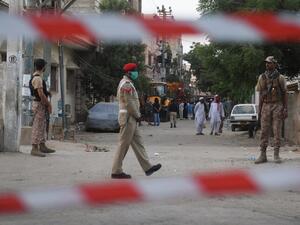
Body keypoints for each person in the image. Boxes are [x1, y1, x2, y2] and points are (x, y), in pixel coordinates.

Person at [112, 63, 161, 179]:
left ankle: (148, 167)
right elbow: (129, 103)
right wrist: (138, 115)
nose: (136, 73)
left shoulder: (128, 83)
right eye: (134, 71)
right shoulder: (126, 84)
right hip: (128, 118)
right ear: (129, 73)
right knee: (123, 145)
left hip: (131, 118)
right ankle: (116, 171)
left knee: (139, 144)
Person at [254, 56, 288, 164]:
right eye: (266, 63)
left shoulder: (280, 78)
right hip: (266, 105)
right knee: (264, 130)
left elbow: (284, 93)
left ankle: (276, 155)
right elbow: (260, 94)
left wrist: (285, 108)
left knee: (277, 130)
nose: (267, 65)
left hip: (277, 105)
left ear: (274, 64)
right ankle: (263, 155)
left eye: (269, 63)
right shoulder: (262, 77)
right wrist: (259, 109)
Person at [30, 58, 55, 157]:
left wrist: (47, 93)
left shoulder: (38, 77)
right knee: (37, 126)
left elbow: (41, 92)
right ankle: (34, 148)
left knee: (42, 125)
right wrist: (48, 104)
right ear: (43, 67)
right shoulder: (37, 78)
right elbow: (40, 94)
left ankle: (42, 145)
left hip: (40, 104)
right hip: (39, 104)